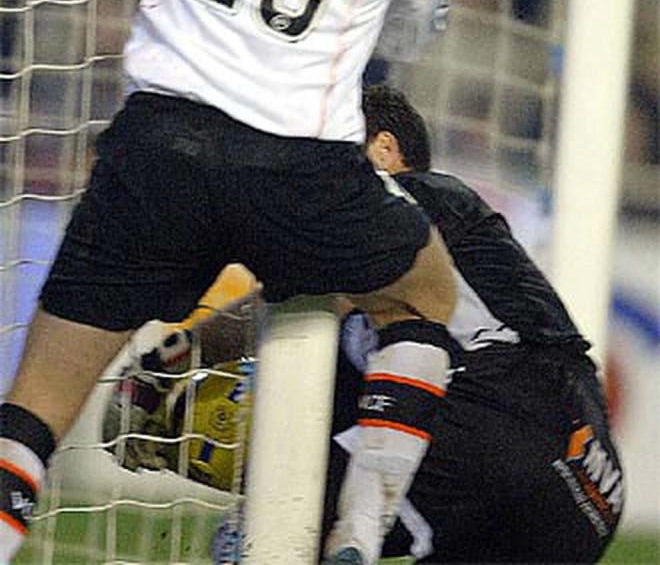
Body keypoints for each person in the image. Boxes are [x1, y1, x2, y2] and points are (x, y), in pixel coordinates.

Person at [0, 0, 469, 565]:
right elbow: (410, 33)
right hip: (300, 167)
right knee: (425, 293)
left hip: (159, 146)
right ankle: (361, 538)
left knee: (36, 406)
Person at [104, 84, 624, 564]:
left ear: (383, 148)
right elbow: (297, 298)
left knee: (258, 535)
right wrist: (180, 354)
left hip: (497, 416)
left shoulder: (421, 196)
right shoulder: (419, 259)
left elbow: (309, 294)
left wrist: (174, 362)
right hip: (589, 493)